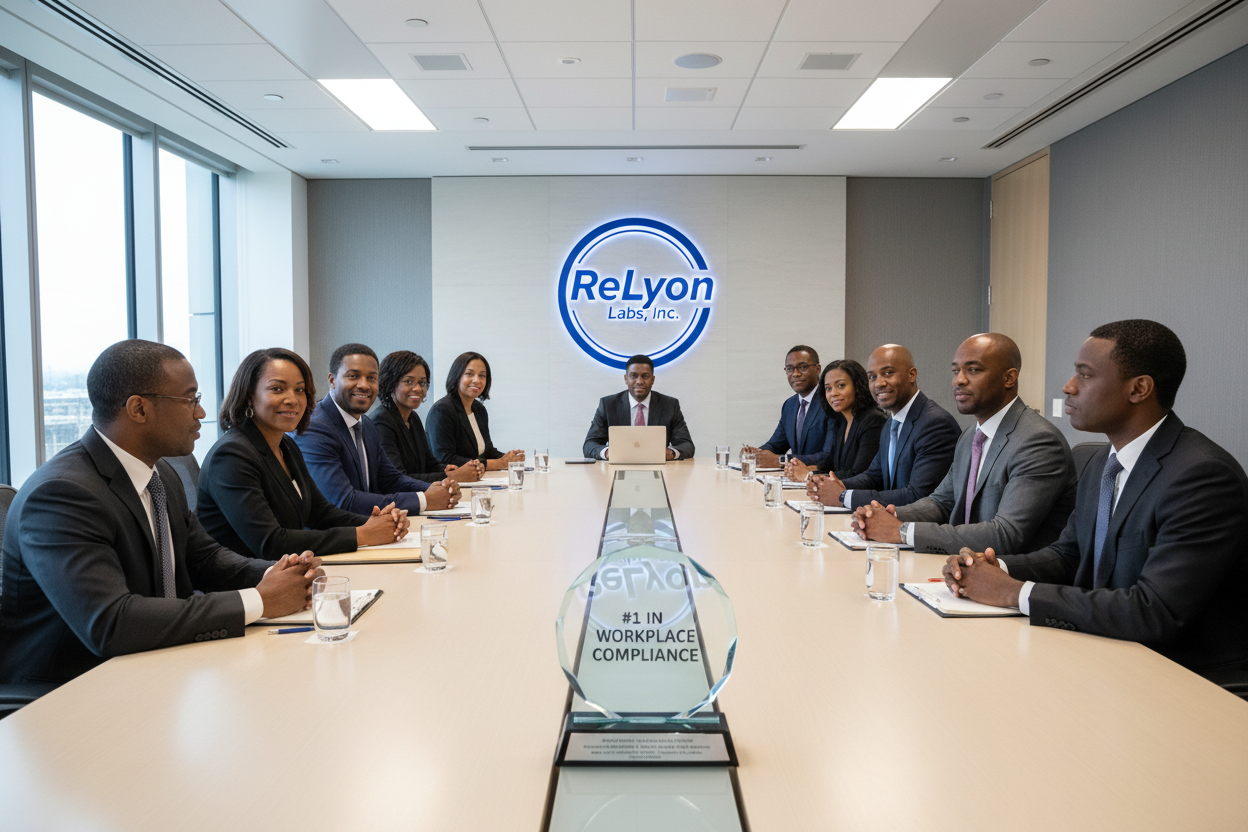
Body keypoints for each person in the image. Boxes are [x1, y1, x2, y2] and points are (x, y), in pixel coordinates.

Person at [0, 340, 323, 688]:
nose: (200, 413)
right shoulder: (62, 494)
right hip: (69, 690)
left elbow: (205, 559)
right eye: (190, 400)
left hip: (155, 664)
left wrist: (285, 574)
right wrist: (259, 599)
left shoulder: (160, 474)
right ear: (138, 409)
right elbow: (111, 622)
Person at [943, 320, 1248, 680]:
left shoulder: (1202, 477)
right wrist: (992, 569)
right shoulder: (1101, 461)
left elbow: (1154, 611)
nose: (1068, 387)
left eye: (1085, 376)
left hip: (1183, 674)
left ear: (1139, 389)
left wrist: (1015, 593)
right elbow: (1068, 555)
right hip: (1106, 648)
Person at [851, 333, 1078, 555]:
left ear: (1009, 378)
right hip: (962, 566)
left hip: (1007, 577)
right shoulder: (971, 436)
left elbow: (1005, 534)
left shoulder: (1038, 442)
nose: (958, 380)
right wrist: (887, 515)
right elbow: (941, 502)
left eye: (973, 370)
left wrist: (902, 531)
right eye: (956, 371)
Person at [197, 348, 411, 560]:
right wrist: (362, 534)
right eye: (277, 389)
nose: (292, 399)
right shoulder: (231, 456)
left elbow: (320, 512)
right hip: (247, 586)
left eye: (299, 390)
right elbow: (271, 543)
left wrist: (375, 522)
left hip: (290, 571)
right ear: (249, 396)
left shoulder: (286, 445)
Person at [294, 344, 460, 515]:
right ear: (332, 380)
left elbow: (390, 479)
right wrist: (424, 500)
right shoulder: (314, 428)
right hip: (338, 534)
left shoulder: (365, 424)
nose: (364, 385)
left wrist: (437, 488)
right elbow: (343, 501)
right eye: (353, 376)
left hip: (372, 527)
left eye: (372, 378)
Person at [807, 344, 958, 509]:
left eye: (888, 373)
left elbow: (918, 495)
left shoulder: (935, 424)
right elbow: (874, 476)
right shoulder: (891, 422)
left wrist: (843, 496)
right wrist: (834, 485)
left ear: (911, 375)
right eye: (872, 377)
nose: (879, 383)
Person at [372, 350, 483, 484]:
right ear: (391, 383)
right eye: (408, 381)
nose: (418, 389)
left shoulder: (413, 417)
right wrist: (454, 477)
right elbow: (397, 479)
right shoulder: (381, 422)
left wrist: (451, 471)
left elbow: (430, 465)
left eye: (422, 383)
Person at [786, 359, 886, 482]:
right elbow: (834, 466)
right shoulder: (841, 421)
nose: (833, 393)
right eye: (828, 388)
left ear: (858, 385)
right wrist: (806, 470)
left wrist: (809, 475)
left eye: (841, 386)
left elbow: (860, 474)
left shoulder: (873, 420)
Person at [582, 354, 696, 460]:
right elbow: (589, 445)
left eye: (645, 376)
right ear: (626, 379)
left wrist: (670, 453)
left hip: (659, 468)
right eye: (633, 376)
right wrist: (608, 453)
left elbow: (687, 445)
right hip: (617, 468)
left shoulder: (670, 405)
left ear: (652, 379)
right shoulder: (608, 405)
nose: (639, 381)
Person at [425, 351, 525, 470]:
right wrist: (498, 464)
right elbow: (445, 458)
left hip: (477, 480)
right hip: (451, 482)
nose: (477, 380)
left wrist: (508, 459)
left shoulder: (479, 409)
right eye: (469, 374)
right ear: (457, 375)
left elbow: (487, 451)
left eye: (482, 375)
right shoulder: (442, 410)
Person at [742, 346, 830, 468]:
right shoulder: (790, 405)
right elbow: (776, 445)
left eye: (803, 367)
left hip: (822, 479)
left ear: (817, 368)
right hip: (794, 480)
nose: (795, 374)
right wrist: (756, 454)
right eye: (790, 369)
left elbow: (828, 457)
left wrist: (782, 460)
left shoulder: (830, 401)